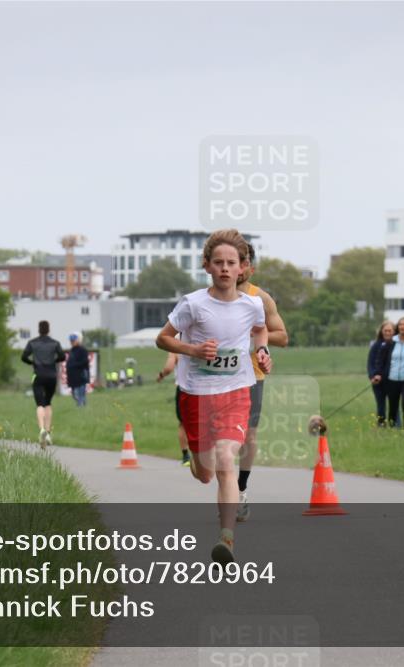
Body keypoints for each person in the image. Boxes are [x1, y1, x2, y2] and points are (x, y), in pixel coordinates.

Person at [156, 228, 271, 565]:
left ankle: (227, 539)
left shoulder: (252, 305)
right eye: (218, 262)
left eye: (231, 263)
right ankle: (194, 458)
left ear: (242, 268)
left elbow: (261, 329)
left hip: (236, 392)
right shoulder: (193, 304)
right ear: (207, 265)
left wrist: (262, 351)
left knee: (225, 461)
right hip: (196, 395)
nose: (224, 268)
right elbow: (163, 339)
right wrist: (192, 348)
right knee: (204, 471)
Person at [234, 242, 288, 522]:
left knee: (247, 435)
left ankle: (240, 489)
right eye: (230, 261)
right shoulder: (207, 299)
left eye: (241, 262)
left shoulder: (261, 299)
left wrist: (255, 337)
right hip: (215, 377)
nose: (235, 268)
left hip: (251, 376)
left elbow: (282, 336)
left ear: (249, 267)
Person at [21, 320, 66, 447]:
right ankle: (48, 433)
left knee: (39, 404)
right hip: (51, 376)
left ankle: (41, 429)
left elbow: (23, 357)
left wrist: (32, 363)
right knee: (48, 403)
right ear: (48, 329)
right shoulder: (55, 343)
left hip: (38, 375)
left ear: (39, 329)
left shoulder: (32, 343)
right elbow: (62, 357)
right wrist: (54, 361)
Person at [156, 351, 191, 466]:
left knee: (183, 423)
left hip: (184, 388)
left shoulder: (176, 345)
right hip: (204, 387)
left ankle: (186, 456)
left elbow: (169, 368)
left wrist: (161, 375)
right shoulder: (202, 339)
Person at [367, 321, 399, 428]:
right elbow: (370, 363)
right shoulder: (376, 346)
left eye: (390, 331)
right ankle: (381, 427)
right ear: (381, 332)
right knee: (381, 406)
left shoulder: (397, 345)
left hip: (393, 381)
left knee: (394, 405)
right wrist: (373, 376)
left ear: (394, 332)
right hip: (378, 383)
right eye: (385, 330)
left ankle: (396, 427)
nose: (387, 333)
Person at [66, 332, 90, 407]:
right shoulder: (72, 351)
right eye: (71, 341)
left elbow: (84, 362)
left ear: (79, 340)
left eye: (73, 340)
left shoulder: (82, 350)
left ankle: (81, 406)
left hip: (81, 375)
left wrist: (73, 366)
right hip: (73, 376)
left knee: (80, 393)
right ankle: (81, 403)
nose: (71, 342)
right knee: (74, 394)